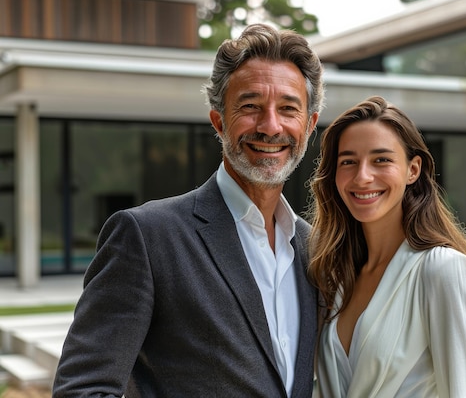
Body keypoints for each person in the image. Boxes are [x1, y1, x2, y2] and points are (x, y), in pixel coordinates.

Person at [53, 23, 324, 398]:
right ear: (219, 120)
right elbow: (82, 389)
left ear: (308, 126)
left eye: (288, 109)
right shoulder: (147, 237)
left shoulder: (317, 249)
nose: (270, 126)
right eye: (250, 106)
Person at [307, 96, 466, 398]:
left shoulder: (443, 271)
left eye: (381, 159)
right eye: (348, 162)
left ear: (413, 169)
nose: (362, 176)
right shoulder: (333, 275)